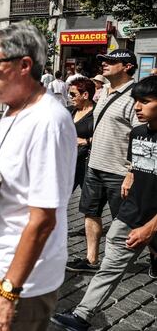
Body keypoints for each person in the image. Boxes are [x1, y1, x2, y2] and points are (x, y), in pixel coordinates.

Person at [0, 22, 77, 330]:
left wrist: (8, 293)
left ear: (24, 65)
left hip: (23, 273)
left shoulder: (48, 122)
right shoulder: (13, 108)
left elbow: (44, 219)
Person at [51, 75, 157, 331]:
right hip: (134, 213)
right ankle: (82, 316)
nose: (138, 108)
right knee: (111, 264)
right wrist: (131, 176)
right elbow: (137, 163)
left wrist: (151, 228)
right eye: (135, 101)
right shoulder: (139, 132)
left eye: (145, 101)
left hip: (152, 222)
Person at [66, 49, 140, 273]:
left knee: (124, 220)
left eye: (111, 61)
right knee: (91, 212)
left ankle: (121, 261)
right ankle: (91, 259)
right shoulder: (105, 92)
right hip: (95, 166)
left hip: (119, 170)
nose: (104, 64)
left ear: (127, 66)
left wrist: (132, 171)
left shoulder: (135, 95)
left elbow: (141, 135)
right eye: (104, 61)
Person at [68, 78, 96, 192]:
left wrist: (85, 141)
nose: (70, 97)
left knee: (89, 205)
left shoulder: (97, 113)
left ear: (85, 95)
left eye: (73, 94)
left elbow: (106, 136)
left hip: (86, 166)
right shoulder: (69, 111)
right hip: (68, 164)